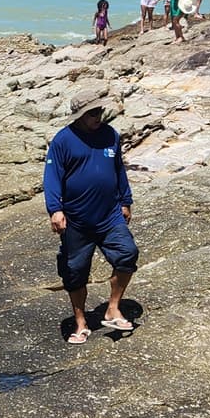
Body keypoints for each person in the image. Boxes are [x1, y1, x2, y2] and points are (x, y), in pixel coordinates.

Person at [44, 85, 137, 344]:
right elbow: (52, 177)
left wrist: (125, 201)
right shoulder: (63, 140)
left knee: (128, 254)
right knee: (74, 272)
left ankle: (112, 307)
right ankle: (80, 322)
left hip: (109, 215)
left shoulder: (111, 135)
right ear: (79, 116)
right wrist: (55, 209)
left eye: (99, 111)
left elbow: (119, 170)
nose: (97, 117)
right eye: (92, 113)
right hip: (76, 220)